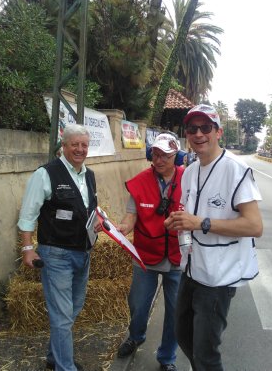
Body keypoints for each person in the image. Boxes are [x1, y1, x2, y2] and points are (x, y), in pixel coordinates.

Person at [164, 104, 263, 371]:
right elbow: (191, 213)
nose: (199, 134)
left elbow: (254, 226)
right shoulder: (191, 171)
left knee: (206, 353)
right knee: (183, 335)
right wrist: (179, 221)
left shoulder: (235, 169)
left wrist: (201, 223)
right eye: (192, 128)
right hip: (192, 269)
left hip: (219, 276)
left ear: (218, 132)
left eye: (205, 127)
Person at [17, 124, 97, 371]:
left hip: (83, 253)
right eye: (75, 144)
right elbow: (28, 214)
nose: (80, 149)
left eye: (84, 145)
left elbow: (90, 209)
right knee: (62, 316)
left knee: (73, 309)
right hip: (56, 254)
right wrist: (28, 248)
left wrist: (99, 223)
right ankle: (65, 366)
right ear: (63, 146)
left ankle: (54, 357)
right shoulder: (46, 174)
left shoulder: (89, 175)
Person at [116, 132, 184, 371]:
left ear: (176, 155)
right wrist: (124, 227)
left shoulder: (190, 180)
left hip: (177, 258)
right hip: (146, 255)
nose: (159, 160)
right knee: (137, 303)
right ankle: (136, 336)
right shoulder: (141, 181)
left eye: (164, 155)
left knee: (176, 312)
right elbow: (131, 214)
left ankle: (167, 358)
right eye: (155, 154)